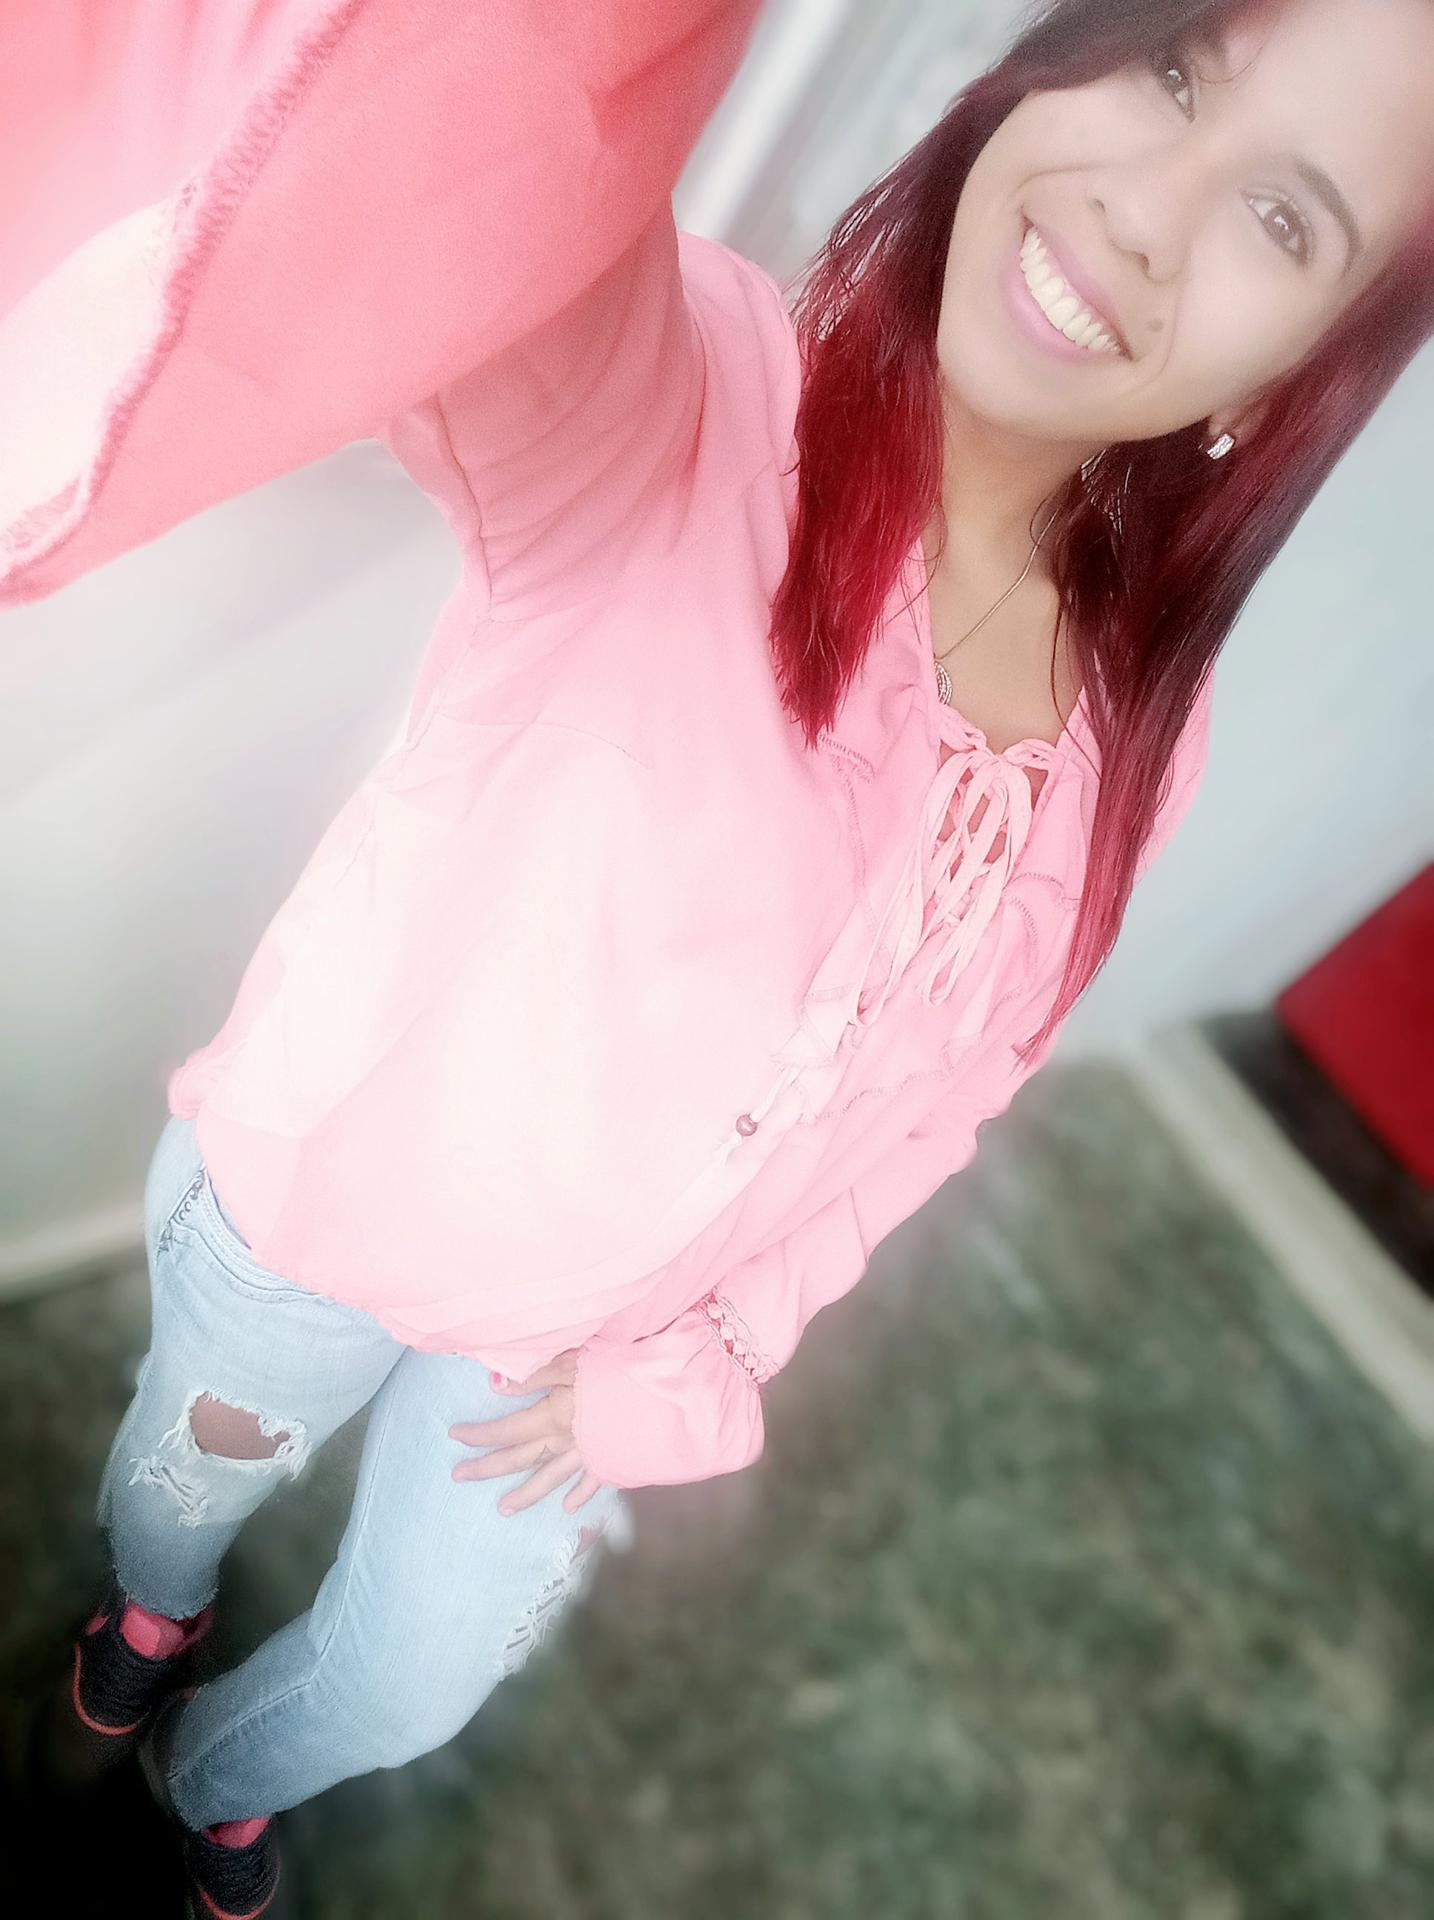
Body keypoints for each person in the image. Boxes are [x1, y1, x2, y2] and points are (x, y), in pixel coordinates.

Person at [7, 0, 1432, 1910]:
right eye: (1178, 70)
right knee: (179, 1489)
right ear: (1058, 55)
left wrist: (708, 1354)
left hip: (597, 1348)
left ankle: (214, 1783)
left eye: (1282, 218)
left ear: (1297, 377)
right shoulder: (690, 395)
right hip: (314, 1222)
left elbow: (933, 1110)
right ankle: (144, 1621)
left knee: (414, 1682)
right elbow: (470, 137)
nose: (1146, 207)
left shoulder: (1125, 758)